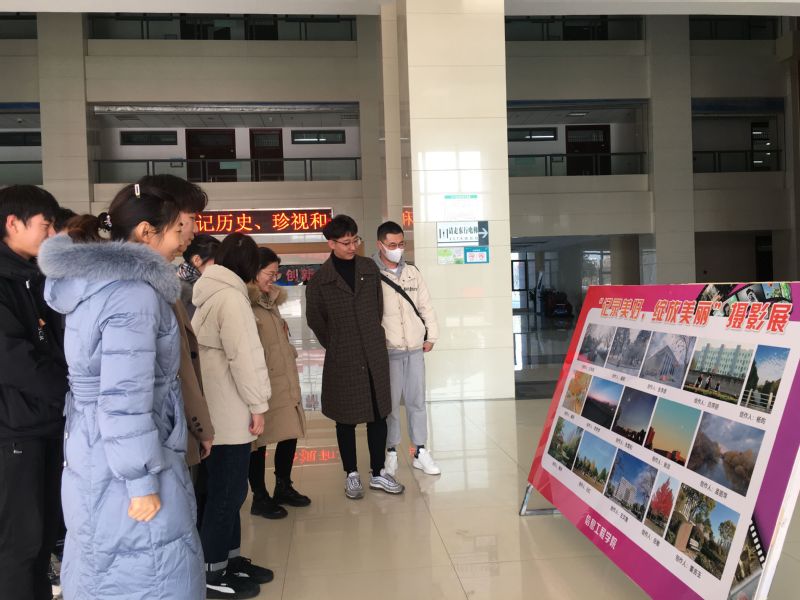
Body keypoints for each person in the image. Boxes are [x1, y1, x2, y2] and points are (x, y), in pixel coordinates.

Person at [37, 184, 204, 599]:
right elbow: (124, 400)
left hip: (97, 450)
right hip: (129, 463)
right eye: (176, 230)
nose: (182, 242)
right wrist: (140, 482)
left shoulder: (96, 284)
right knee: (148, 569)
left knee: (105, 565)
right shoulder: (133, 294)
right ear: (147, 231)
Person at [192, 232, 273, 599]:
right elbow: (245, 357)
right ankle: (213, 571)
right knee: (227, 494)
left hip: (217, 407)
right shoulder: (231, 299)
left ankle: (230, 559)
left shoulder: (210, 292)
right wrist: (259, 405)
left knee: (228, 491)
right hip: (230, 409)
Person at [306, 214, 404, 499]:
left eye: (355, 241)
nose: (352, 247)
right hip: (343, 356)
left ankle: (378, 472)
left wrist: (369, 334)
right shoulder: (320, 281)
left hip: (373, 352)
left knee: (378, 414)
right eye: (346, 242)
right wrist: (337, 342)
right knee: (345, 419)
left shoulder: (368, 268)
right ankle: (351, 473)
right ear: (331, 244)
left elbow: (377, 307)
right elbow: (316, 320)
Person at [0, 185, 68, 600]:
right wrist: (72, 394)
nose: (52, 234)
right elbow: (15, 360)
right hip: (14, 431)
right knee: (20, 544)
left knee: (43, 538)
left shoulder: (32, 277)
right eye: (46, 225)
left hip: (45, 423)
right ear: (13, 223)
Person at [372, 221, 441, 476]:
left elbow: (425, 306)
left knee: (416, 402)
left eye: (401, 244)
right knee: (389, 405)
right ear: (380, 245)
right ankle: (391, 452)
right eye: (392, 245)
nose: (397, 249)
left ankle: (420, 451)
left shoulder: (412, 272)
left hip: (414, 348)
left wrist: (432, 335)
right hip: (388, 351)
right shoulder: (370, 273)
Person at [248, 248, 310, 519]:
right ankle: (259, 496)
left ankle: (283, 486)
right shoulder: (245, 303)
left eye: (276, 273)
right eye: (269, 273)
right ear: (253, 272)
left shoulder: (271, 301)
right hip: (261, 383)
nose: (274, 279)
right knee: (258, 441)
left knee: (289, 431)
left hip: (283, 378)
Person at [178, 234, 220, 318]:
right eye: (216, 263)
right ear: (197, 260)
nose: (219, 268)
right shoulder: (182, 291)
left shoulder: (182, 281)